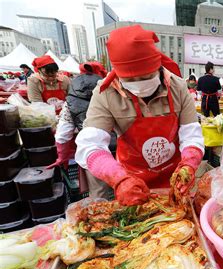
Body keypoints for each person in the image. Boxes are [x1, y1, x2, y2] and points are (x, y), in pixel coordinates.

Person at [74, 25, 204, 206]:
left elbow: (192, 135)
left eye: (145, 77)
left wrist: (189, 164)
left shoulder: (178, 87)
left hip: (174, 179)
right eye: (129, 80)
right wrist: (118, 179)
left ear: (157, 67)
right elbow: (90, 145)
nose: (139, 84)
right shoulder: (105, 92)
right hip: (131, 180)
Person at [48, 61, 113, 199]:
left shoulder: (71, 99)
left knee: (100, 198)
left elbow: (62, 135)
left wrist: (62, 157)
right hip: (120, 152)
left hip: (94, 156)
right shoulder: (113, 92)